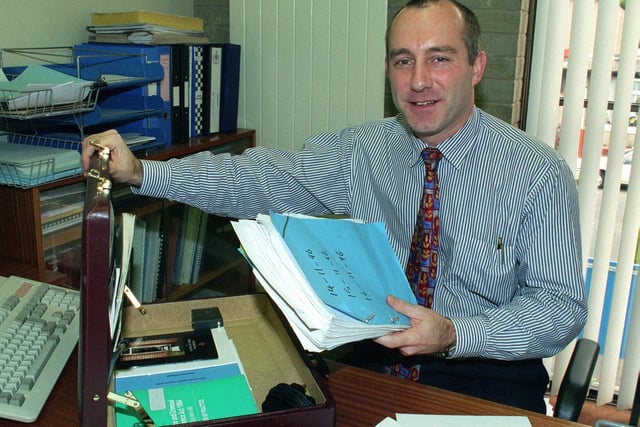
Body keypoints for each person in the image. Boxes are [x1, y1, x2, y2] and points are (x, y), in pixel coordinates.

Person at [82, 0, 587, 413]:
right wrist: (144, 172)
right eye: (402, 59)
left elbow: (560, 311)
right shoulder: (363, 152)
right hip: (370, 357)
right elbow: (258, 178)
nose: (417, 80)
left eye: (440, 58)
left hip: (480, 369)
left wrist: (454, 332)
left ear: (476, 66)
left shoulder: (537, 174)